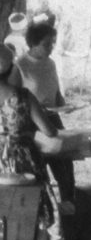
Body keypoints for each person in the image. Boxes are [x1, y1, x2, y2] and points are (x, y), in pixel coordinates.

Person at [0, 46, 62, 240]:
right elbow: (50, 131)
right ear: (11, 70)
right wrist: (26, 130)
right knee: (32, 211)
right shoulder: (23, 96)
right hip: (23, 161)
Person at [11, 23, 76, 205]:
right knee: (40, 170)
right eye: (46, 44)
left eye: (52, 43)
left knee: (65, 166)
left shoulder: (51, 63)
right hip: (32, 124)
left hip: (54, 119)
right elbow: (16, 101)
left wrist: (63, 104)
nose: (51, 48)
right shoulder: (21, 66)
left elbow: (56, 93)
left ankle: (70, 207)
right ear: (33, 43)